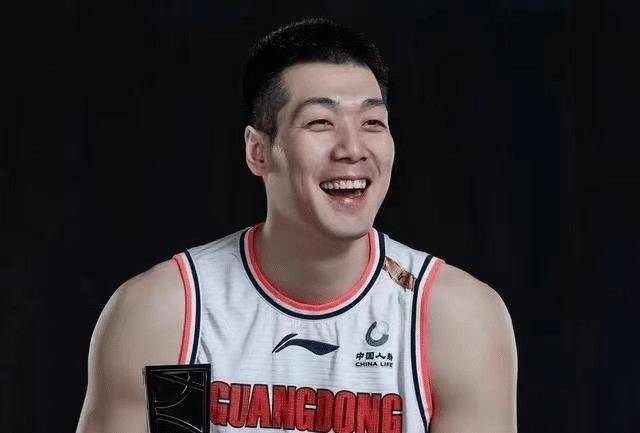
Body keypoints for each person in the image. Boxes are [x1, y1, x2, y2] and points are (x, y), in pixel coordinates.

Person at [77, 18, 517, 433]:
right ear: (258, 152)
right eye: (320, 122)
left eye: (372, 123)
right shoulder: (172, 313)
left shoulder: (450, 317)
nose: (352, 149)